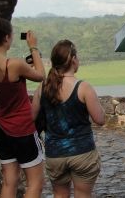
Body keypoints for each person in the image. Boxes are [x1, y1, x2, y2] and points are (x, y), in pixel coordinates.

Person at [0, 16, 46, 198]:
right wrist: (33, 47)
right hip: (23, 129)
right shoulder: (15, 64)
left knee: (9, 181)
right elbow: (41, 75)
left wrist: (26, 68)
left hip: (2, 128)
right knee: (35, 183)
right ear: (7, 38)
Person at [32, 39, 105, 198]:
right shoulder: (84, 87)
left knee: (59, 195)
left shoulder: (43, 87)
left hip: (55, 154)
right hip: (82, 153)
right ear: (73, 59)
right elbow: (100, 119)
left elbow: (32, 117)